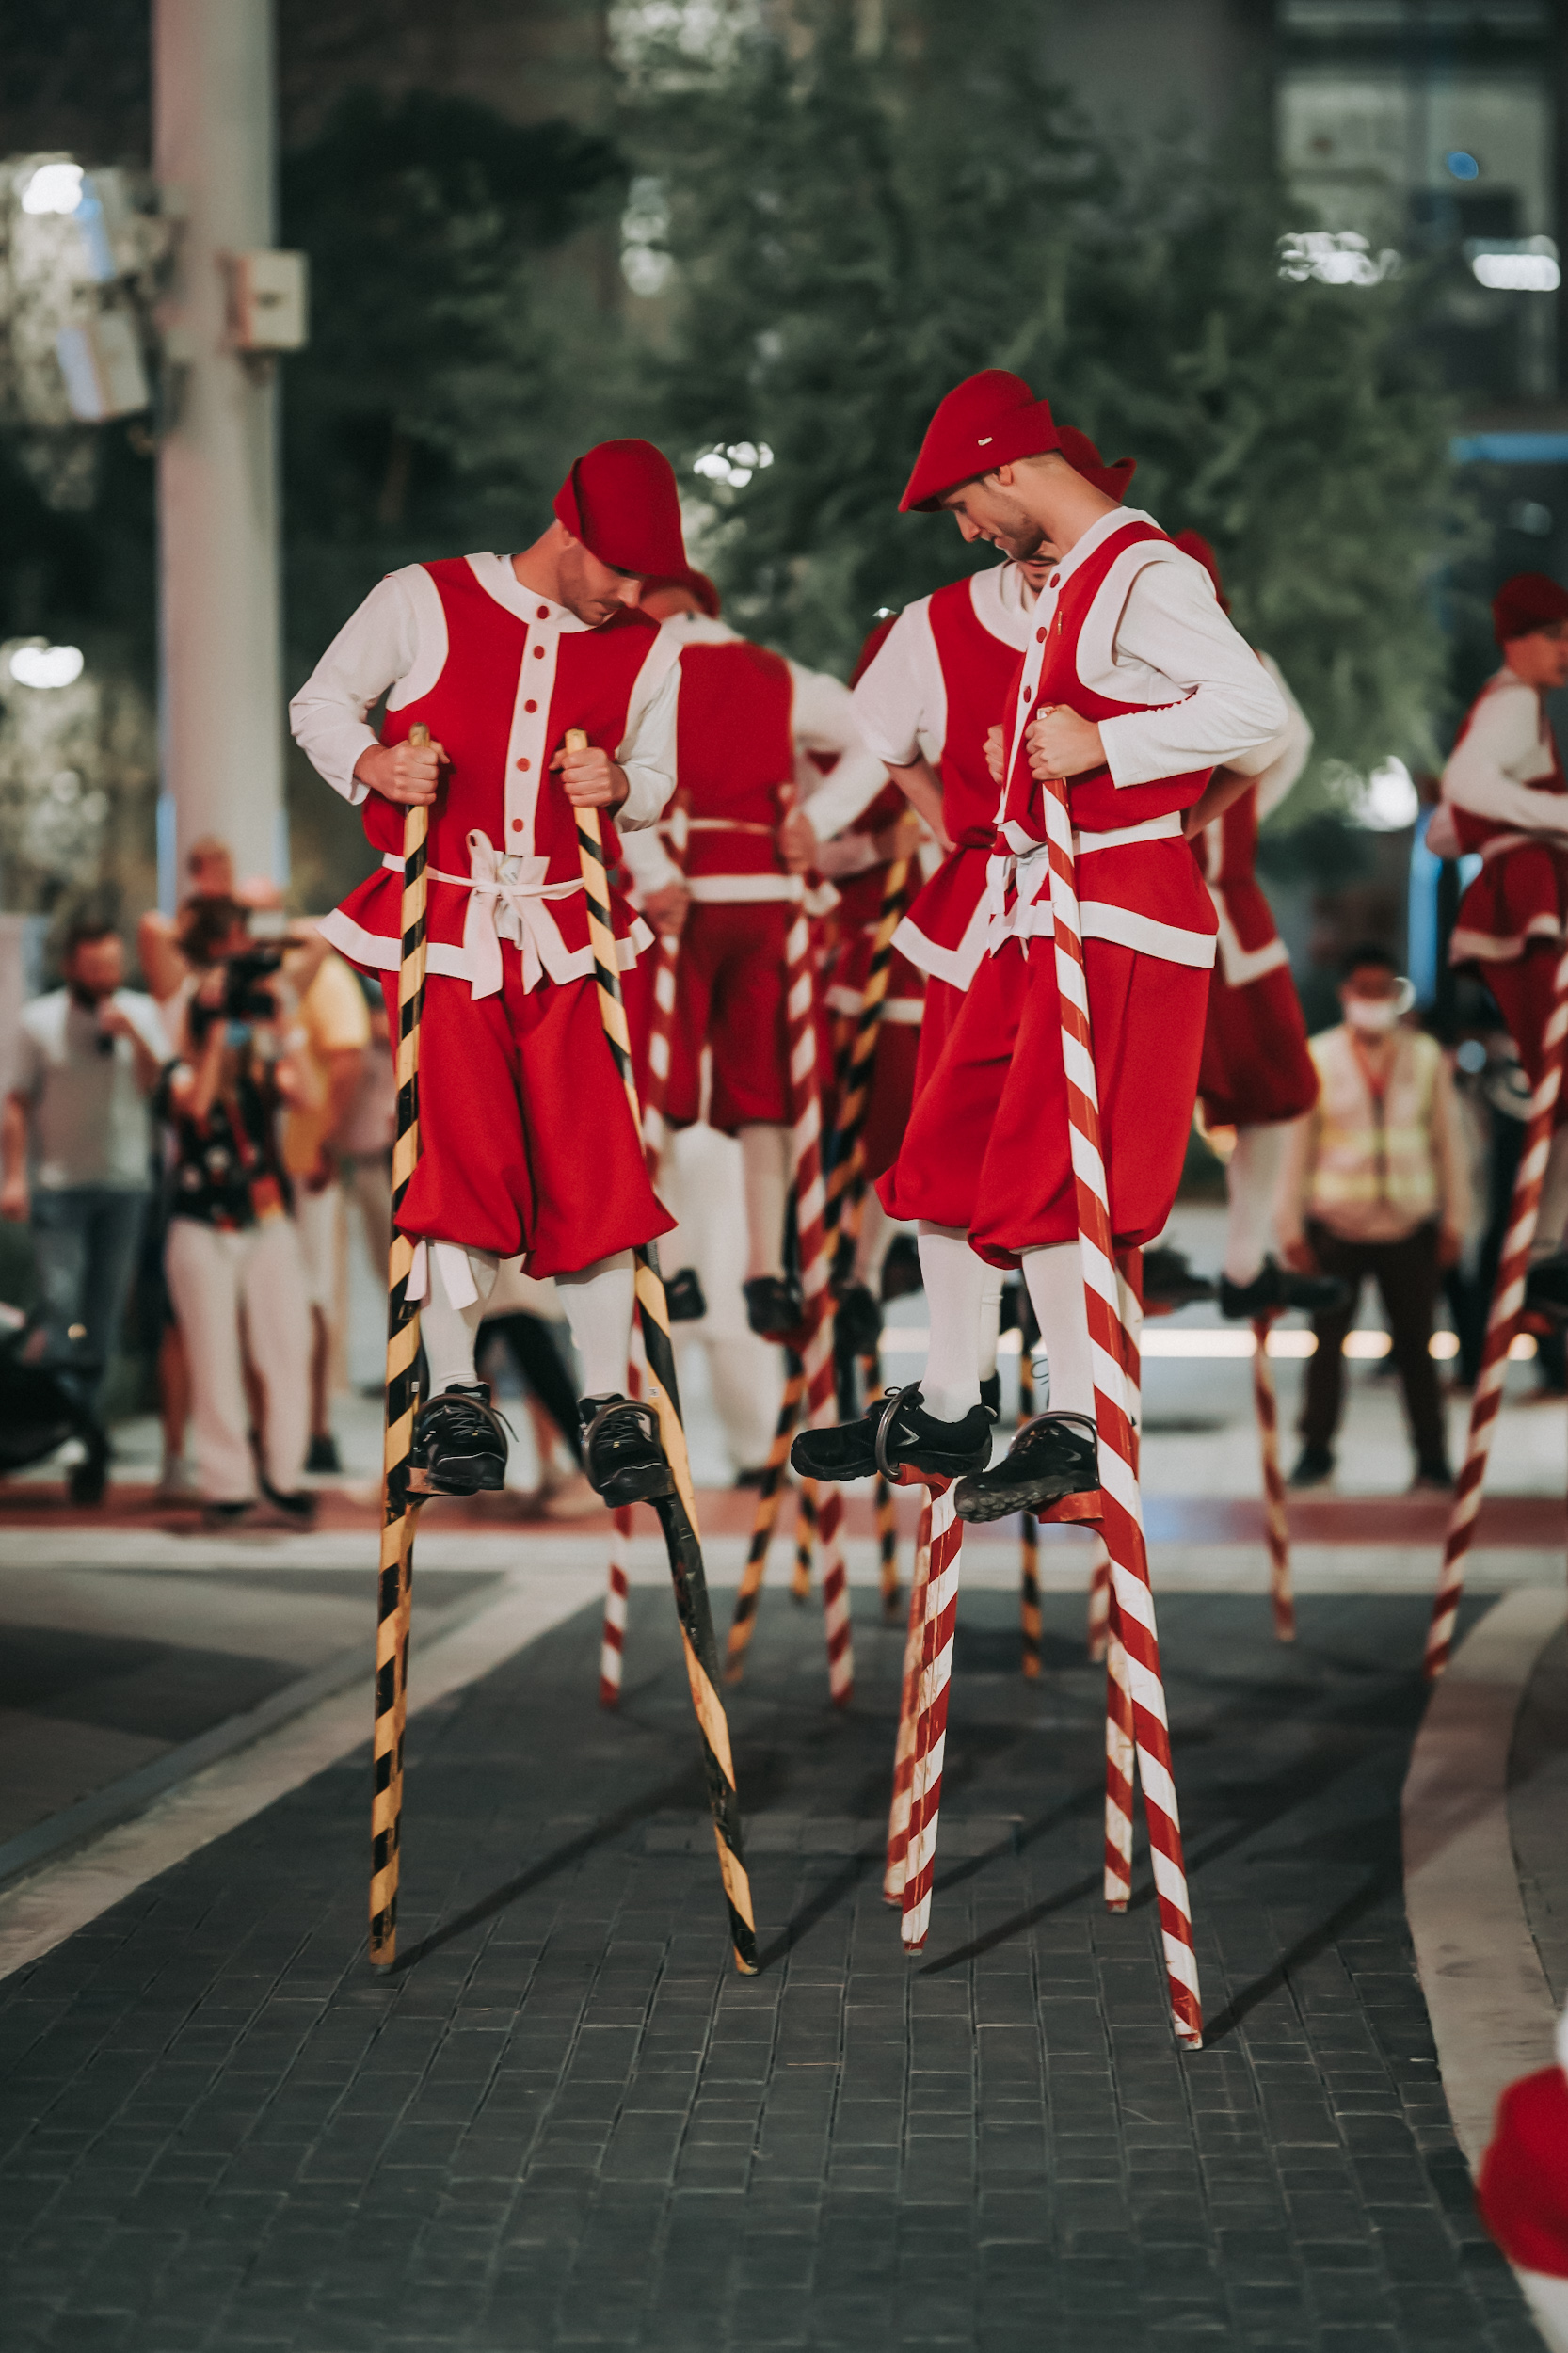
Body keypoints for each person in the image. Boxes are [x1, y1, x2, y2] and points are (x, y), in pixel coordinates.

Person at [792, 370, 1286, 1517]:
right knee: (944, 1158)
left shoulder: (1145, 573)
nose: (964, 529)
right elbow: (884, 734)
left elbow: (1251, 719)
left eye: (966, 503)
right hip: (1003, 907)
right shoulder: (965, 608)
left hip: (1111, 904)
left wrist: (1116, 758)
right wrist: (960, 829)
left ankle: (1074, 1417)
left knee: (1060, 1164)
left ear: (1009, 470)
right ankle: (954, 1400)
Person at [290, 438, 689, 1505]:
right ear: (568, 534)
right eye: (618, 571)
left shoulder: (651, 646)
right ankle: (457, 1392)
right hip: (446, 923)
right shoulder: (419, 599)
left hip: (569, 930)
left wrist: (622, 782)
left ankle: (609, 1402)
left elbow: (657, 776)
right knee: (455, 1150)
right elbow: (321, 706)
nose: (633, 595)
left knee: (596, 1153)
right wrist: (373, 763)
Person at [615, 568, 889, 1337]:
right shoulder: (778, 674)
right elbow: (875, 737)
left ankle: (675, 1262)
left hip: (676, 895)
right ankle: (766, 1268)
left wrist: (652, 875)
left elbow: (606, 780)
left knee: (660, 1078)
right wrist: (818, 819)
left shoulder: (641, 664)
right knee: (765, 1085)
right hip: (765, 898)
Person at [1170, 530, 1347, 1323]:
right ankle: (1219, 1260)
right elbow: (1291, 739)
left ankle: (1243, 1261)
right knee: (1152, 1094)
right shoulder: (1209, 661)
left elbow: (1288, 739)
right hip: (1172, 903)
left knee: (1273, 1087)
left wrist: (1230, 821)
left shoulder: (1229, 662)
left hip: (1218, 907)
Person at [1274, 944, 1469, 1490]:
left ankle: (1432, 1458)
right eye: (1364, 991)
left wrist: (1456, 1221)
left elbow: (1450, 1146)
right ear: (1346, 995)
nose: (1374, 1001)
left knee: (1418, 1347)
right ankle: (1316, 1451)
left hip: (1410, 1226)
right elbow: (1296, 1149)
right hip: (1336, 1226)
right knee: (1326, 1346)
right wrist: (1289, 1229)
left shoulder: (1427, 1056)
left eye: (1383, 991)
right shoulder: (1318, 1057)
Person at [155, 898, 315, 1527]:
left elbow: (305, 1093)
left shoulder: (261, 1055)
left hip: (266, 1214)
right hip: (198, 1223)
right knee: (214, 1355)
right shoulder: (178, 1067)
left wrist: (282, 1027)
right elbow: (194, 1107)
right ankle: (226, 1483)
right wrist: (216, 1038)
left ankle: (286, 1474)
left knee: (287, 1343)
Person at [1, 920, 169, 1494]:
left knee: (98, 1319)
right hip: (59, 1187)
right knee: (61, 1304)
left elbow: (161, 1088)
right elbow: (16, 1102)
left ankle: (83, 1436)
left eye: (112, 967)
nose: (104, 977)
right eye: (94, 967)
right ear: (72, 966)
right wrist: (13, 1179)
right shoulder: (39, 1021)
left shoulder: (142, 1013)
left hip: (125, 1186)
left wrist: (136, 1038)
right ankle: (62, 1424)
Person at [1440, 571, 1568, 1322]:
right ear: (1517, 640)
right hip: (1527, 902)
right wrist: (1554, 814)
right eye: (1553, 636)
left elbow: (1449, 820)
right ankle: (1548, 1253)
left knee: (1560, 1086)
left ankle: (1550, 1254)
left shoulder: (1514, 702)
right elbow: (1467, 782)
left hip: (1525, 896)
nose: (1565, 651)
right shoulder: (1515, 701)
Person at [281, 946, 372, 1472]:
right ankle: (275, 1425)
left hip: (302, 1163)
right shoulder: (239, 985)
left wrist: (325, 1141)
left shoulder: (324, 980)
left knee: (312, 1293)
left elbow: (347, 1061)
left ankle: (315, 1425)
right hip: (251, 1170)